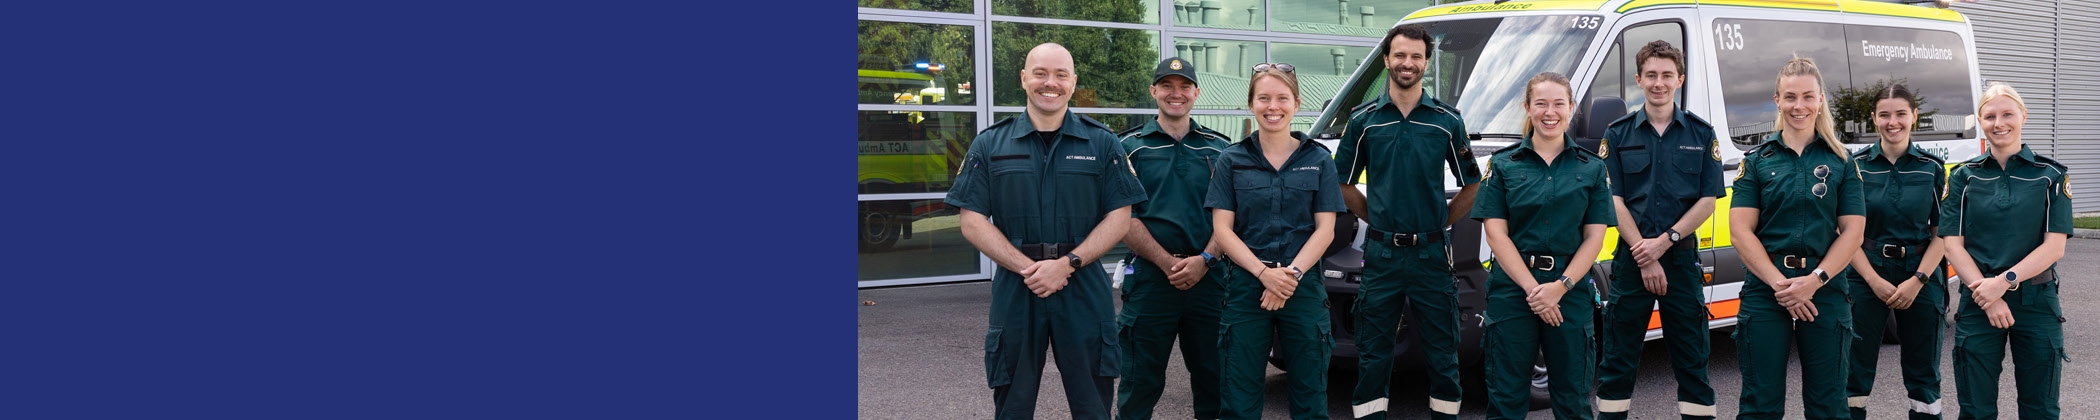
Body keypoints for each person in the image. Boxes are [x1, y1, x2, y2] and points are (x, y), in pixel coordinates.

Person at [944, 43, 1148, 420]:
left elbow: (1120, 217)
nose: (1049, 83)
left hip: (1083, 286)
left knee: (1093, 405)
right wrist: (1029, 268)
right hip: (1017, 288)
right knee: (1013, 405)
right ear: (1024, 79)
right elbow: (971, 220)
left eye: (1060, 75)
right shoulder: (991, 143)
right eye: (1040, 73)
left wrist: (1067, 264)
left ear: (1073, 82)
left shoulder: (1102, 143)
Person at [1333, 24, 1480, 420]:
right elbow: (1342, 182)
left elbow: (1472, 185)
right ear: (1386, 60)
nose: (1407, 63)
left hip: (1432, 254)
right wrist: (1376, 219)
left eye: (1416, 56)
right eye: (1400, 55)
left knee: (1443, 355)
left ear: (1426, 63)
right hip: (1380, 255)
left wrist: (1441, 223)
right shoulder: (1364, 120)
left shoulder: (1446, 121)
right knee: (1373, 356)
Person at [1727, 56, 1867, 420]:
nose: (1799, 106)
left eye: (1807, 97)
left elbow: (1853, 232)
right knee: (1760, 403)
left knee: (1828, 404)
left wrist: (1814, 281)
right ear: (1777, 100)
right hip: (1766, 288)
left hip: (1826, 289)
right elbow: (1740, 231)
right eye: (1790, 97)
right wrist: (1782, 286)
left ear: (1821, 100)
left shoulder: (1842, 162)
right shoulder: (1757, 161)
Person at [1470, 72, 1614, 420]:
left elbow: (1595, 237)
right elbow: (1496, 234)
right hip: (1514, 290)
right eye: (1541, 104)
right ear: (1527, 108)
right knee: (1506, 400)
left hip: (1570, 292)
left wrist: (1560, 287)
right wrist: (1537, 291)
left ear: (1571, 108)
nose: (1550, 112)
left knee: (1573, 400)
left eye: (1558, 104)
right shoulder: (1503, 165)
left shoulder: (1592, 168)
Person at [1206, 62, 1345, 420]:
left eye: (1282, 98)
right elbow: (1222, 230)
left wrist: (1289, 277)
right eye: (1264, 98)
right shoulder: (1231, 160)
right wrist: (1264, 275)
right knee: (1238, 399)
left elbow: (1325, 229)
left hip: (1303, 289)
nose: (1273, 106)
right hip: (1245, 288)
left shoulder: (1319, 160)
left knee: (1310, 397)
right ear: (1251, 103)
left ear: (1297, 104)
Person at [1595, 40, 1725, 420]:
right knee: (1618, 361)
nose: (1658, 82)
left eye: (1667, 75)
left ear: (1679, 79)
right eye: (1650, 75)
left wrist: (1664, 243)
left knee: (1692, 360)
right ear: (1638, 79)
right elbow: (1613, 200)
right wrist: (1644, 253)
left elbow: (1707, 200)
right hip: (1631, 262)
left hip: (1681, 261)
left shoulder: (1701, 134)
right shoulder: (1617, 134)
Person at [1941, 82, 2070, 420]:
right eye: (1990, 116)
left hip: (2036, 301)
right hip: (1978, 299)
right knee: (1975, 408)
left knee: (2040, 408)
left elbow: (2054, 246)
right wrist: (1989, 293)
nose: (1999, 123)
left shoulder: (2051, 176)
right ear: (1980, 122)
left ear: (2023, 116)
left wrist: (2004, 281)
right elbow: (1952, 244)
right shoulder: (1963, 177)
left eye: (2007, 114)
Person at [1114, 56, 1232, 420]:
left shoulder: (1220, 148)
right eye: (1167, 85)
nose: (1175, 94)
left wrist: (1205, 260)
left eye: (1184, 86)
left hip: (1210, 278)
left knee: (1216, 380)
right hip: (1151, 280)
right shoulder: (1128, 147)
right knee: (1139, 382)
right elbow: (1122, 216)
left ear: (1196, 92)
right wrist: (1167, 262)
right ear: (1154, 91)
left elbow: (1231, 214)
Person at [1842, 83, 1950, 420]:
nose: (1893, 122)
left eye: (1901, 113)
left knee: (1923, 374)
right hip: (1865, 274)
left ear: (1914, 116)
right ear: (1873, 119)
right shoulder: (1855, 166)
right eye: (1885, 114)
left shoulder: (1931, 168)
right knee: (1854, 372)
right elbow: (1846, 234)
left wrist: (1918, 280)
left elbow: (1942, 234)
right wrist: (1873, 280)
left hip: (1921, 272)